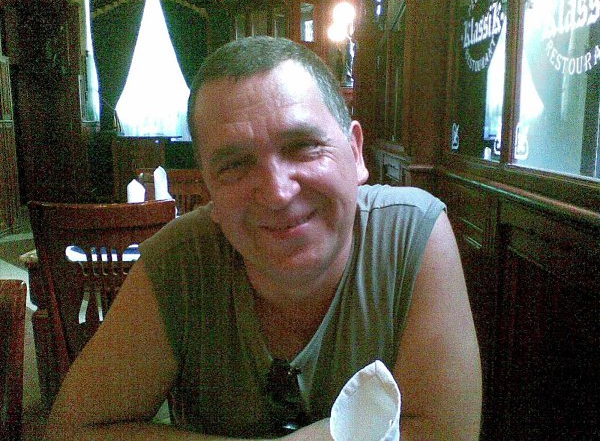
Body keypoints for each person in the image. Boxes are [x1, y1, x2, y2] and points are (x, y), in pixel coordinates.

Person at [47, 36, 482, 440]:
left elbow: (444, 432)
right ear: (210, 193)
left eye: (303, 146)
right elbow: (73, 431)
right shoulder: (175, 260)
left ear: (355, 152)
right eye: (235, 165)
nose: (277, 193)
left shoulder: (412, 233)